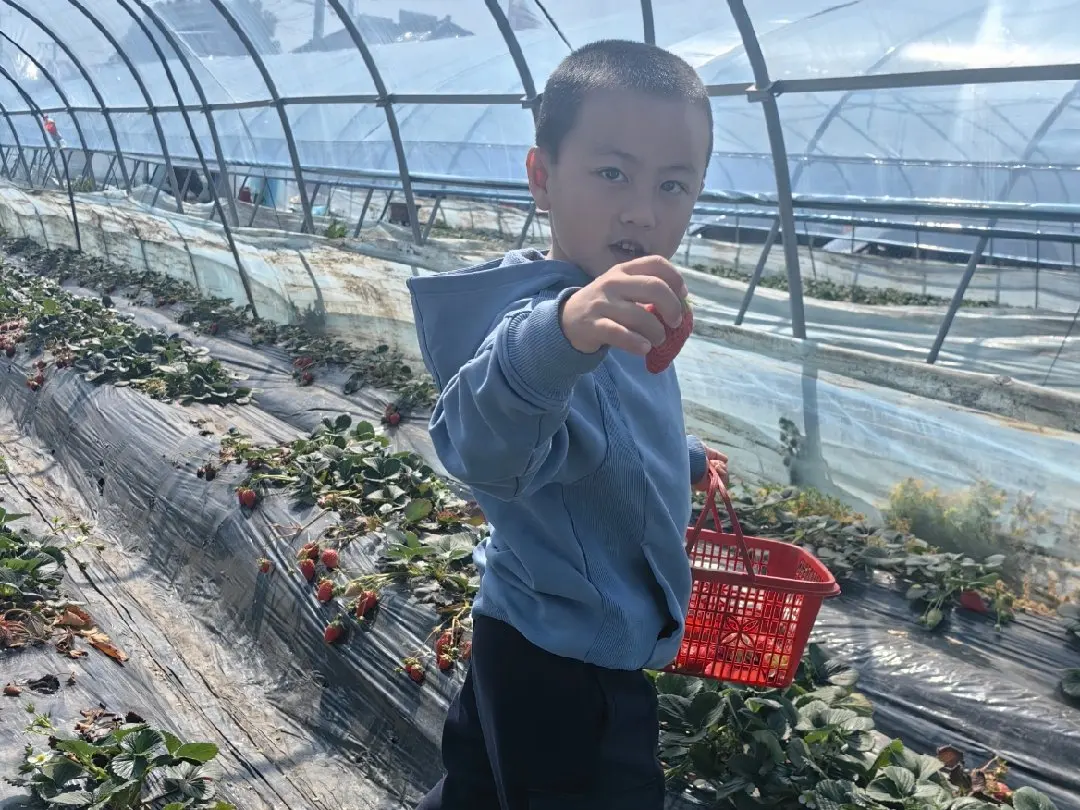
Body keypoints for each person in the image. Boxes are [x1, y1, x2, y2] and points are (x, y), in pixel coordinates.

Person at [406, 39, 728, 810]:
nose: (643, 211)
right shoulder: (543, 322)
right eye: (612, 172)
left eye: (673, 184)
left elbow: (611, 432)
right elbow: (482, 448)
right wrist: (564, 335)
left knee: (476, 792)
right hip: (568, 667)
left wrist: (685, 458)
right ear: (542, 178)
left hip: (522, 623)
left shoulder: (620, 300)